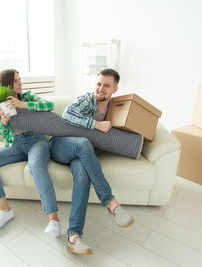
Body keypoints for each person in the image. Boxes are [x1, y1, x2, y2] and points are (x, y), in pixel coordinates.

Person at [50, 68, 134, 255]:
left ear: (115, 89)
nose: (100, 88)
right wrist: (96, 124)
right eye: (98, 84)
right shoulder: (87, 99)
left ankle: (73, 236)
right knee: (83, 142)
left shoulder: (115, 108)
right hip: (61, 145)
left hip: (82, 154)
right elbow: (67, 114)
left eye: (106, 85)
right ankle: (110, 202)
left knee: (82, 178)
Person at [0, 69, 61, 237]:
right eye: (16, 81)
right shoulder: (1, 103)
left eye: (20, 79)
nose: (20, 83)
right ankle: (5, 210)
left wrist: (24, 105)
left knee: (36, 165)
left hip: (36, 141)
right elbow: (3, 135)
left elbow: (49, 106)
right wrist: (3, 122)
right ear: (7, 84)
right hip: (16, 144)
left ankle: (54, 219)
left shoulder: (28, 96)